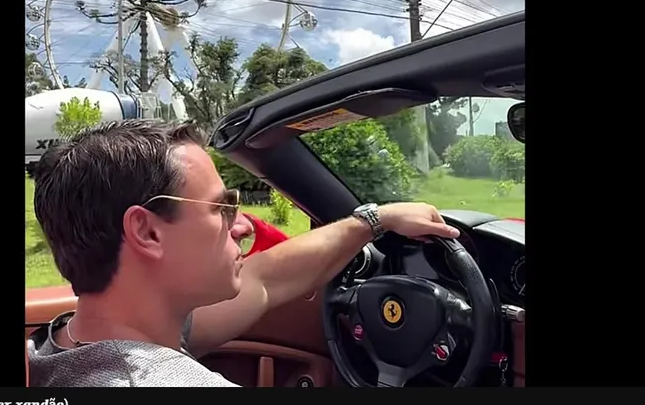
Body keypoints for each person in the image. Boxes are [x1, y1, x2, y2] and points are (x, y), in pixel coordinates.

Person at [28, 119, 460, 387]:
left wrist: (374, 220)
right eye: (221, 208)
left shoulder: (65, 343)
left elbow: (266, 279)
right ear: (148, 232)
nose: (242, 225)